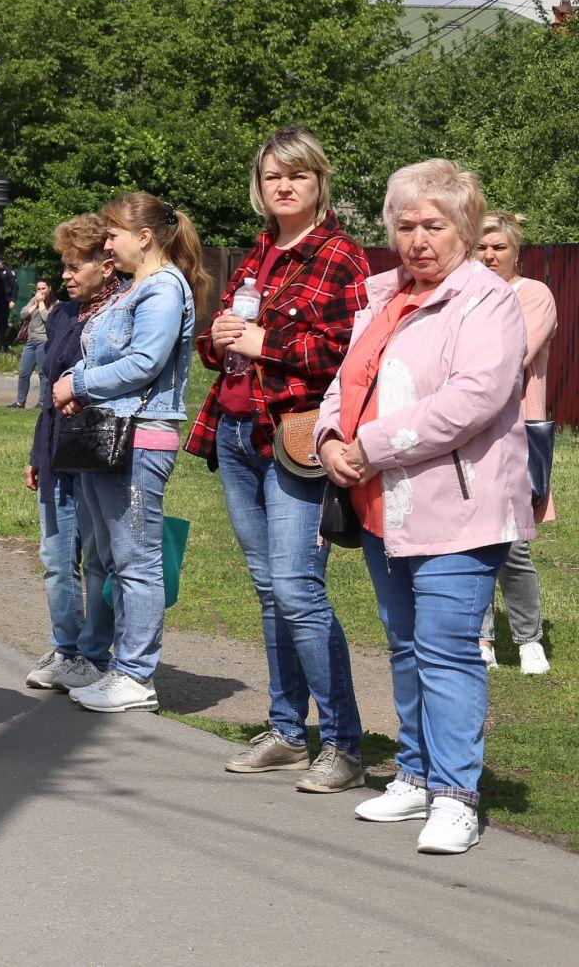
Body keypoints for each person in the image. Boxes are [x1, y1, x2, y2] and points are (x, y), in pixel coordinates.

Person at [318, 160, 534, 855]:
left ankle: (457, 794)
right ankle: (415, 771)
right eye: (405, 224)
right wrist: (329, 440)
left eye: (433, 225)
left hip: (459, 510)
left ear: (465, 228)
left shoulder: (487, 301)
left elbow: (474, 397)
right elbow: (345, 381)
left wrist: (371, 443)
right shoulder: (382, 296)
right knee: (406, 645)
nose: (418, 238)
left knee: (446, 651)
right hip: (387, 507)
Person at [189, 127, 368, 791]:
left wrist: (269, 339)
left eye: (296, 175)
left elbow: (346, 350)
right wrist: (220, 336)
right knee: (271, 590)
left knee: (297, 586)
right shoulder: (260, 250)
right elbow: (222, 342)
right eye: (272, 177)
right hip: (236, 432)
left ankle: (345, 743)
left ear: (318, 181)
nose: (284, 186)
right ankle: (289, 730)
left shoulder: (340, 255)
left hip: (295, 437)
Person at [52, 191, 206, 715]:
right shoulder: (135, 289)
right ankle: (118, 665)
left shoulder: (163, 289)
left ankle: (136, 675)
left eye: (114, 234)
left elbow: (144, 363)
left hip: (140, 439)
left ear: (144, 237)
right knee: (116, 556)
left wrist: (80, 384)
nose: (107, 243)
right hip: (109, 436)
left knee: (137, 561)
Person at [21, 215, 119, 692]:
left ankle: (95, 655)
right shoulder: (60, 315)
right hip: (57, 452)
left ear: (106, 263)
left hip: (99, 452)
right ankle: (67, 648)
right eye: (64, 264)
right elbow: (47, 393)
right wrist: (38, 455)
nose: (66, 274)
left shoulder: (120, 312)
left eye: (75, 264)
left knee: (100, 560)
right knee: (58, 559)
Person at [474, 210, 555, 675]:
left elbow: (513, 357)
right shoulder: (468, 293)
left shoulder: (534, 295)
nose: (489, 255)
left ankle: (528, 639)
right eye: (482, 247)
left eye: (498, 247)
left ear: (515, 252)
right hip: (468, 432)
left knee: (513, 542)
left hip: (517, 433)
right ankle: (482, 637)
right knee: (472, 538)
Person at [11, 280, 54, 407]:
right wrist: (35, 304)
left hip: (43, 341)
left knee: (43, 373)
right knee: (24, 372)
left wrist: (41, 303)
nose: (40, 292)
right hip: (30, 342)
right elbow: (23, 314)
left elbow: (47, 318)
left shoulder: (55, 304)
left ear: (49, 288)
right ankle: (20, 402)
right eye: (38, 289)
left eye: (43, 288)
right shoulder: (33, 300)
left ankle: (42, 402)